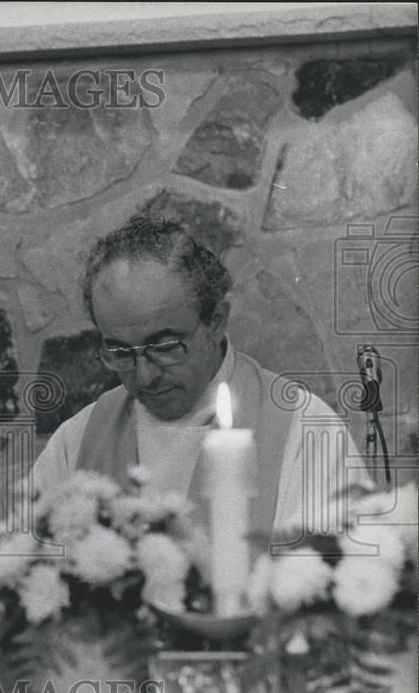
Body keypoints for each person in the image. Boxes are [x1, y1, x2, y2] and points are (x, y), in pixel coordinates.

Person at [34, 215, 369, 534]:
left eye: (164, 346)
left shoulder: (306, 430)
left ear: (216, 320)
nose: (146, 376)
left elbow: (333, 579)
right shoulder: (77, 441)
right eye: (121, 352)